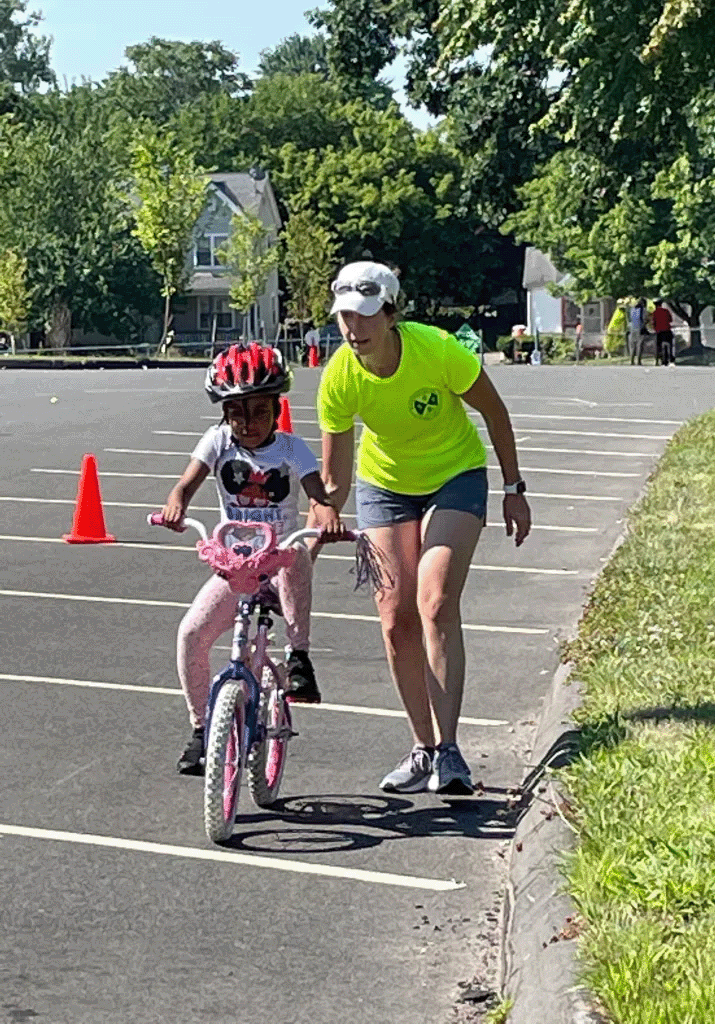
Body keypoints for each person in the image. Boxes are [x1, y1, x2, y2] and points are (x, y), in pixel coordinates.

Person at [313, 261, 532, 795]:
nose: (353, 328)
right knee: (394, 618)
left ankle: (450, 751)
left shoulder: (436, 349)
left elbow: (495, 413)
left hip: (454, 475)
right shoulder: (339, 377)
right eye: (344, 316)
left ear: (390, 313)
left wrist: (514, 488)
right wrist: (320, 515)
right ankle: (422, 747)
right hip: (385, 486)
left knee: (434, 601)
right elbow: (335, 478)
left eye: (365, 315)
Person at [160, 342, 342, 774]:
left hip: (276, 560)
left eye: (259, 411)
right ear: (224, 414)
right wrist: (176, 505)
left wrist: (329, 516)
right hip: (236, 561)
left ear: (277, 410)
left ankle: (299, 657)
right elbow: (185, 486)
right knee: (191, 634)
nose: (247, 423)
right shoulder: (218, 441)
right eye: (236, 412)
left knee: (297, 552)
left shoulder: (293, 450)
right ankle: (203, 730)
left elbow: (319, 495)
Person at [651, 299, 675, 366]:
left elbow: (653, 322)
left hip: (659, 331)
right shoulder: (666, 311)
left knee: (659, 346)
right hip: (667, 330)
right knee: (670, 344)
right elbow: (670, 320)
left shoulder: (655, 313)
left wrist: (655, 329)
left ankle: (661, 359)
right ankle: (671, 357)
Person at [628, 298, 648, 365]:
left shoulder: (631, 310)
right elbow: (645, 319)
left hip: (632, 328)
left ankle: (632, 360)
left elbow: (630, 319)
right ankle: (638, 361)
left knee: (632, 346)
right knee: (639, 345)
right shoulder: (643, 310)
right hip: (640, 328)